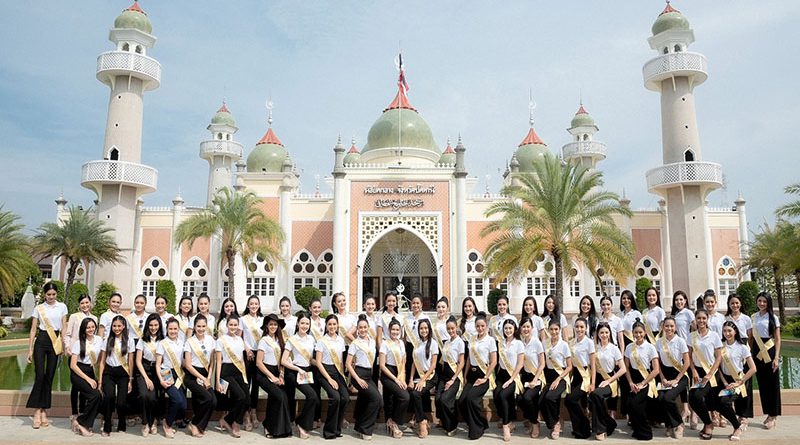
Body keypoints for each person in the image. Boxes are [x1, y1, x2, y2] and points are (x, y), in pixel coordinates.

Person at [458, 312, 497, 440]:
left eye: (482, 326)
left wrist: (485, 377)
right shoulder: (472, 339)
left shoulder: (490, 340)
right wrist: (465, 376)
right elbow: (469, 359)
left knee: (471, 399)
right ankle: (480, 422)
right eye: (478, 326)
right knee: (462, 401)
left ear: (486, 326)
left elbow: (494, 361)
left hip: (483, 375)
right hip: (471, 375)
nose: (480, 328)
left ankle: (477, 429)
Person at [255, 313, 293, 438]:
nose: (273, 326)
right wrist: (272, 377)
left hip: (277, 372)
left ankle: (280, 429)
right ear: (267, 326)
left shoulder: (279, 340)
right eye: (271, 324)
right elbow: (259, 363)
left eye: (275, 324)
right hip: (264, 373)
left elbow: (281, 361)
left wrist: (281, 375)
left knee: (282, 397)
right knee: (279, 396)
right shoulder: (263, 341)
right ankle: (269, 426)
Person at [282, 312, 319, 439]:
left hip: (307, 372)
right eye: (302, 323)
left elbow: (310, 359)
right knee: (311, 396)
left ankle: (300, 421)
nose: (305, 326)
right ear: (297, 323)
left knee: (313, 397)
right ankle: (301, 425)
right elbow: (284, 360)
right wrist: (298, 369)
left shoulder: (311, 339)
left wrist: (320, 364)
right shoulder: (292, 340)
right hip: (294, 372)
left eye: (307, 323)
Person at [718, 321, 757, 441]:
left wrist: (739, 382)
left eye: (729, 330)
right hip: (725, 380)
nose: (727, 333)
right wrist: (725, 383)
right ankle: (737, 425)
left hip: (738, 381)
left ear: (735, 332)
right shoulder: (720, 346)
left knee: (724, 401)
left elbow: (753, 368)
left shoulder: (742, 347)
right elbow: (718, 367)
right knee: (718, 402)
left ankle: (737, 427)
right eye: (725, 331)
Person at [688, 308, 723, 440]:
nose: (701, 321)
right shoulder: (691, 336)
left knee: (698, 396)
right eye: (699, 318)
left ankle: (708, 424)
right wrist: (693, 370)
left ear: (707, 319)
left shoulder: (714, 336)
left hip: (711, 372)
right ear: (695, 320)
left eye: (704, 318)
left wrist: (710, 374)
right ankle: (707, 422)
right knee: (692, 397)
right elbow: (689, 356)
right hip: (697, 372)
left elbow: (718, 357)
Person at [347, 314, 382, 440]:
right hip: (359, 375)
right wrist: (357, 379)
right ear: (357, 329)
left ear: (368, 328)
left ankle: (359, 426)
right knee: (377, 399)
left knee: (368, 400)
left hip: (368, 375)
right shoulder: (355, 343)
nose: (362, 330)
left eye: (365, 327)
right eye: (360, 327)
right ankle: (365, 428)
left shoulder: (372, 341)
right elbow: (348, 364)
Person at [65, 294, 97, 431]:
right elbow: (67, 334)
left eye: (87, 302)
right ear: (79, 305)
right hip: (75, 355)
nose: (85, 305)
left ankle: (83, 412)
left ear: (90, 303)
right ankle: (74, 413)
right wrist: (67, 347)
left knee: (85, 387)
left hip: (88, 357)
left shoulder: (94, 318)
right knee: (76, 386)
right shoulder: (74, 317)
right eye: (82, 303)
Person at [98, 314, 135, 436]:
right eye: (114, 326)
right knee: (109, 397)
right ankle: (107, 426)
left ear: (124, 326)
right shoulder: (107, 340)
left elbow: (130, 361)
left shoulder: (129, 341)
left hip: (123, 373)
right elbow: (102, 362)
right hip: (109, 372)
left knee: (121, 402)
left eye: (119, 326)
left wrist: (130, 379)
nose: (117, 328)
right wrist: (100, 380)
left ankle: (122, 423)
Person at [589, 322, 626, 441]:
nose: (604, 335)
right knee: (593, 396)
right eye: (601, 332)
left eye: (606, 332)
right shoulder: (594, 348)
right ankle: (609, 423)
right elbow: (593, 367)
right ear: (597, 334)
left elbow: (623, 369)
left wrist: (609, 381)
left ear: (610, 333)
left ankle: (600, 429)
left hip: (611, 380)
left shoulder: (614, 348)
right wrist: (592, 383)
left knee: (596, 395)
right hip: (597, 378)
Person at [624, 320, 659, 441]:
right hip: (633, 379)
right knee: (629, 404)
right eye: (635, 332)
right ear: (632, 333)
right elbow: (626, 367)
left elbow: (656, 370)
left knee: (636, 405)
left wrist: (643, 383)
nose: (638, 335)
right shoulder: (629, 347)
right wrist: (630, 383)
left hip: (647, 380)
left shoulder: (650, 347)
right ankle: (637, 429)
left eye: (640, 332)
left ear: (644, 333)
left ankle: (645, 432)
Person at [182, 314, 217, 437]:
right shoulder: (189, 342)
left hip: (205, 375)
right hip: (192, 376)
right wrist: (203, 378)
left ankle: (200, 425)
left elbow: (212, 361)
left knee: (213, 401)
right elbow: (188, 365)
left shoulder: (211, 340)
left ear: (206, 326)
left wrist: (208, 377)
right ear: (194, 327)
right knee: (207, 398)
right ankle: (194, 424)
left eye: (203, 326)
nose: (201, 329)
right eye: (198, 326)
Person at [655, 316, 690, 439]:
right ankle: (669, 424)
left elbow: (687, 362)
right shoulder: (659, 342)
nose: (669, 328)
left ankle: (679, 424)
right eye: (666, 326)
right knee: (660, 398)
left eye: (671, 326)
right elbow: (658, 363)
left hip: (680, 376)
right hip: (665, 375)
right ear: (663, 327)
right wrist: (662, 378)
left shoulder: (680, 341)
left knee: (668, 398)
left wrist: (677, 379)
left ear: (675, 327)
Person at [315, 314, 349, 439]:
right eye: (330, 324)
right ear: (326, 325)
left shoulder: (340, 340)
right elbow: (318, 362)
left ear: (337, 325)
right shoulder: (321, 341)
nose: (332, 326)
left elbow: (341, 361)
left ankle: (337, 429)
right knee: (335, 398)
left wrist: (343, 377)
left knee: (345, 398)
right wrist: (329, 379)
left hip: (337, 372)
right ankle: (329, 431)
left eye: (334, 324)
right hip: (324, 372)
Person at [68, 317, 104, 436]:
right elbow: (73, 365)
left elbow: (100, 359)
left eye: (92, 327)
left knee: (100, 396)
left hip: (91, 371)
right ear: (83, 329)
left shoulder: (99, 340)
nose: (91, 329)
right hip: (79, 373)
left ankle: (84, 422)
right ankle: (81, 422)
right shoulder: (78, 343)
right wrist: (88, 379)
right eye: (88, 327)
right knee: (95, 396)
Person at [215, 316, 249, 438]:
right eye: (231, 325)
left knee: (247, 399)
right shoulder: (221, 340)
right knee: (240, 396)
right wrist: (217, 381)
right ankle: (234, 423)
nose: (233, 327)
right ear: (227, 325)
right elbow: (219, 361)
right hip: (226, 372)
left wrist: (245, 377)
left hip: (239, 371)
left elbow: (241, 360)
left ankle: (228, 420)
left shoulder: (240, 340)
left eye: (235, 325)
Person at [751, 292, 781, 430]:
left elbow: (777, 339)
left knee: (772, 384)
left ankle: (773, 415)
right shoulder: (754, 317)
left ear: (768, 303)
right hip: (757, 352)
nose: (762, 303)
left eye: (764, 301)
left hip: (769, 350)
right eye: (759, 301)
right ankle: (768, 413)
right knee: (762, 384)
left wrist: (776, 358)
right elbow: (751, 338)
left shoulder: (773, 317)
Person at [540, 318, 572, 439]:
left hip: (561, 376)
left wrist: (558, 379)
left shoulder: (564, 345)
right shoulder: (545, 343)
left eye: (556, 329)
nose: (554, 332)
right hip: (548, 376)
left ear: (560, 330)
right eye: (551, 329)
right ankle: (552, 422)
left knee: (550, 397)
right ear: (548, 330)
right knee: (541, 400)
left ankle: (556, 423)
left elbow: (569, 366)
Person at [156, 318, 187, 439]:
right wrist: (161, 380)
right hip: (166, 373)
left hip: (178, 373)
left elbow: (183, 361)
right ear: (167, 329)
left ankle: (172, 419)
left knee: (183, 405)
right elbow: (158, 364)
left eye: (175, 329)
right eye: (170, 329)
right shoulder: (162, 343)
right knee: (177, 400)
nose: (173, 331)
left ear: (178, 329)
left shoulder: (181, 342)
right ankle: (167, 424)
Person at [565, 317, 596, 439]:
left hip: (585, 375)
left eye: (582, 327)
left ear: (586, 328)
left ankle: (585, 426)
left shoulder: (589, 342)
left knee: (570, 400)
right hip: (576, 375)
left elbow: (593, 365)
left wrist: (593, 383)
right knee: (571, 401)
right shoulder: (571, 342)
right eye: (577, 327)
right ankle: (577, 429)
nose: (579, 329)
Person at [725, 293, 754, 424]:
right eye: (732, 303)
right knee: (731, 381)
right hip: (730, 349)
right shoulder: (726, 318)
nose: (735, 305)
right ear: (729, 304)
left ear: (740, 304)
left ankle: (744, 414)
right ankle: (731, 412)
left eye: (737, 303)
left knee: (745, 384)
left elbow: (750, 336)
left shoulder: (746, 318)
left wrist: (747, 350)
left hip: (743, 349)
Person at [380, 317, 410, 438]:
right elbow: (382, 365)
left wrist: (402, 378)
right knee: (404, 396)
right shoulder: (385, 343)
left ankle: (391, 421)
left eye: (397, 330)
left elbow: (403, 362)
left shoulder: (401, 343)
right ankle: (393, 422)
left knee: (394, 398)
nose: (395, 332)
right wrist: (396, 379)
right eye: (393, 329)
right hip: (388, 374)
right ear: (389, 330)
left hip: (399, 373)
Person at [494, 318, 524, 441]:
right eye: (505, 328)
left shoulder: (519, 343)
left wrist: (511, 379)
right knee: (496, 394)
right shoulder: (500, 343)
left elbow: (520, 364)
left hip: (514, 376)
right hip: (501, 375)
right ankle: (508, 419)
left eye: (510, 328)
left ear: (515, 329)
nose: (508, 330)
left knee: (503, 396)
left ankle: (506, 426)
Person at [408, 318, 438, 438]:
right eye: (421, 328)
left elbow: (433, 365)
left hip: (430, 376)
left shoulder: (433, 343)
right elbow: (414, 363)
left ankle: (422, 422)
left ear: (429, 329)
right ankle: (423, 419)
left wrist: (422, 380)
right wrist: (411, 379)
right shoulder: (417, 343)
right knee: (411, 391)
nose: (423, 330)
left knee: (416, 394)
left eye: (425, 328)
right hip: (419, 376)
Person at [135, 313, 164, 436]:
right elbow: (138, 361)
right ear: (147, 326)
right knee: (143, 395)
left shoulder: (163, 340)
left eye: (156, 325)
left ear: (159, 325)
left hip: (158, 371)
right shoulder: (142, 340)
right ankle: (145, 423)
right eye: (151, 325)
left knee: (154, 397)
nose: (153, 328)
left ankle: (154, 421)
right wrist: (146, 379)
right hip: (144, 370)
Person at [435, 316, 464, 437]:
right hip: (444, 376)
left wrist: (453, 379)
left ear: (456, 327)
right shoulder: (446, 342)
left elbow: (461, 363)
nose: (451, 331)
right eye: (448, 329)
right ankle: (444, 422)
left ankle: (452, 425)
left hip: (454, 377)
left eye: (452, 328)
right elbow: (443, 362)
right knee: (437, 399)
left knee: (445, 400)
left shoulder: (460, 342)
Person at [516, 317, 545, 438]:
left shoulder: (537, 343)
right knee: (518, 398)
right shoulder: (520, 343)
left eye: (528, 327)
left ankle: (535, 423)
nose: (526, 329)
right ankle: (531, 417)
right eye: (524, 327)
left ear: (532, 328)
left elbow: (542, 363)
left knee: (527, 397)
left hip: (536, 376)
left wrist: (535, 380)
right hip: (525, 377)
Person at [670, 290, 695, 423]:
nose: (679, 302)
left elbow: (695, 328)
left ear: (685, 301)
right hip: (676, 351)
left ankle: (693, 411)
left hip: (687, 349)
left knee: (690, 380)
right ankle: (685, 409)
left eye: (681, 299)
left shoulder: (688, 313)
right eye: (676, 300)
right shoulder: (674, 315)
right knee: (681, 380)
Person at [240, 295, 264, 430]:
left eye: (256, 304)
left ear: (259, 305)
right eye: (251, 304)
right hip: (247, 354)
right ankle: (246, 414)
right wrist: (247, 349)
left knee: (256, 385)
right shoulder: (243, 319)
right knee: (246, 384)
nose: (254, 306)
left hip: (259, 354)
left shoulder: (262, 319)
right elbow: (239, 337)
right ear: (248, 305)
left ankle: (254, 412)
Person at [618, 289, 641, 418]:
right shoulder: (619, 315)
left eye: (628, 298)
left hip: (634, 347)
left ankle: (635, 412)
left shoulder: (636, 313)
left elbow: (640, 331)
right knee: (624, 381)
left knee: (635, 377)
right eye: (624, 298)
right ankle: (626, 412)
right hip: (623, 348)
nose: (626, 300)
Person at [403, 294, 430, 382]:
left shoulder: (425, 317)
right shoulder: (407, 318)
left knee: (420, 370)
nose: (415, 305)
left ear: (421, 304)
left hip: (421, 347)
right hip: (409, 347)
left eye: (418, 303)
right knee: (409, 369)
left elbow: (429, 335)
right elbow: (405, 336)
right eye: (413, 303)